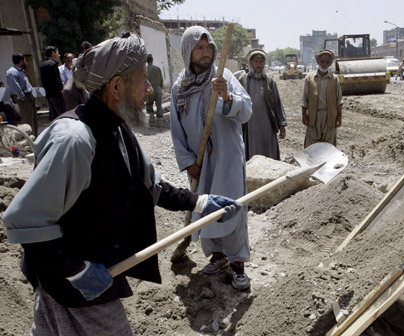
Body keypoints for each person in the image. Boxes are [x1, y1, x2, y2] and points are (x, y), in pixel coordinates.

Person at [1, 32, 242, 335]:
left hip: (86, 277)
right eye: (142, 79)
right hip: (72, 287)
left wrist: (202, 203)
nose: (150, 88)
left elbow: (151, 185)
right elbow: (26, 221)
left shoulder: (117, 128)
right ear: (116, 86)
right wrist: (77, 271)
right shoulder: (75, 139)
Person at [170, 26, 252, 291]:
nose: (206, 53)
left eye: (209, 48)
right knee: (205, 209)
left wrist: (227, 96)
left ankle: (238, 264)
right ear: (188, 51)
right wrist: (187, 161)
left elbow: (246, 111)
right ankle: (217, 257)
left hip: (228, 158)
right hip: (200, 163)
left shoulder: (223, 76)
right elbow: (176, 129)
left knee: (232, 208)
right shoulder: (179, 87)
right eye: (199, 48)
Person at [238, 49, 287, 160]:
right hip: (249, 125)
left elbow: (277, 103)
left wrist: (282, 124)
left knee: (268, 153)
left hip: (267, 124)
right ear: (251, 63)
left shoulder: (270, 81)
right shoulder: (243, 79)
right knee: (250, 153)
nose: (258, 65)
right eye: (256, 62)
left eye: (261, 62)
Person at [301, 49, 343, 148]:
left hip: (329, 116)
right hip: (313, 116)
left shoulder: (334, 79)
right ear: (318, 62)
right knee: (311, 145)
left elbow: (339, 100)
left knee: (329, 146)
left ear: (330, 63)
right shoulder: (309, 78)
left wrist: (339, 117)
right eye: (322, 61)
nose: (324, 64)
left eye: (327, 62)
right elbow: (304, 99)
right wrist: (304, 115)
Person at [6, 53, 37, 135]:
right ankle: (29, 139)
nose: (25, 62)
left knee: (33, 119)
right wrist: (22, 97)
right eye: (24, 60)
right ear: (21, 60)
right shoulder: (12, 72)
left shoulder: (20, 71)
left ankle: (35, 137)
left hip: (29, 96)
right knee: (28, 121)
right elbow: (15, 87)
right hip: (24, 98)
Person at [40, 46, 66, 121]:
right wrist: (61, 89)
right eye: (57, 53)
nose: (59, 55)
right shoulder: (53, 64)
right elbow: (56, 80)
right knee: (62, 115)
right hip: (57, 94)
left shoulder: (43, 65)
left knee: (54, 117)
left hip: (49, 95)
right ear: (52, 53)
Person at [145, 54, 164, 121]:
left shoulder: (145, 70)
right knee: (159, 105)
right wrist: (160, 88)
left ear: (146, 61)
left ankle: (152, 118)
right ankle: (160, 121)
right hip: (158, 89)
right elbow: (161, 80)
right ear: (152, 60)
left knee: (149, 104)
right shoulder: (157, 68)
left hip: (150, 89)